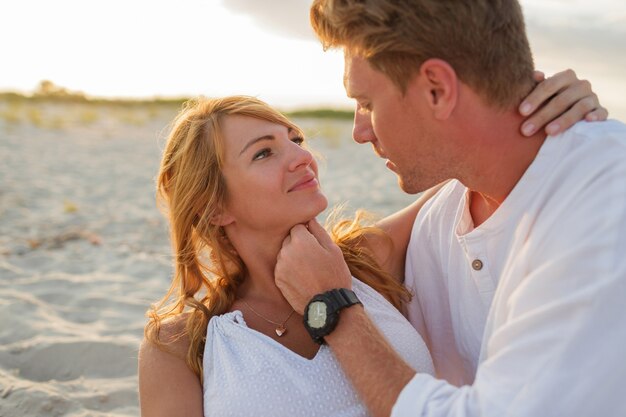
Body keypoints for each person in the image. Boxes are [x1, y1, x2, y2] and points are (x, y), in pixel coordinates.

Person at [138, 81, 602, 416]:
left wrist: (552, 117)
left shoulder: (364, 261)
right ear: (215, 206)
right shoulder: (182, 345)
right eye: (264, 152)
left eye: (294, 139)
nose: (302, 156)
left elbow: (484, 173)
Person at [273, 1, 626, 417]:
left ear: (437, 89)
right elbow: (300, 269)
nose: (358, 131)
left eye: (366, 102)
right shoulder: (442, 212)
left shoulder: (604, 208)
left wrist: (334, 312)